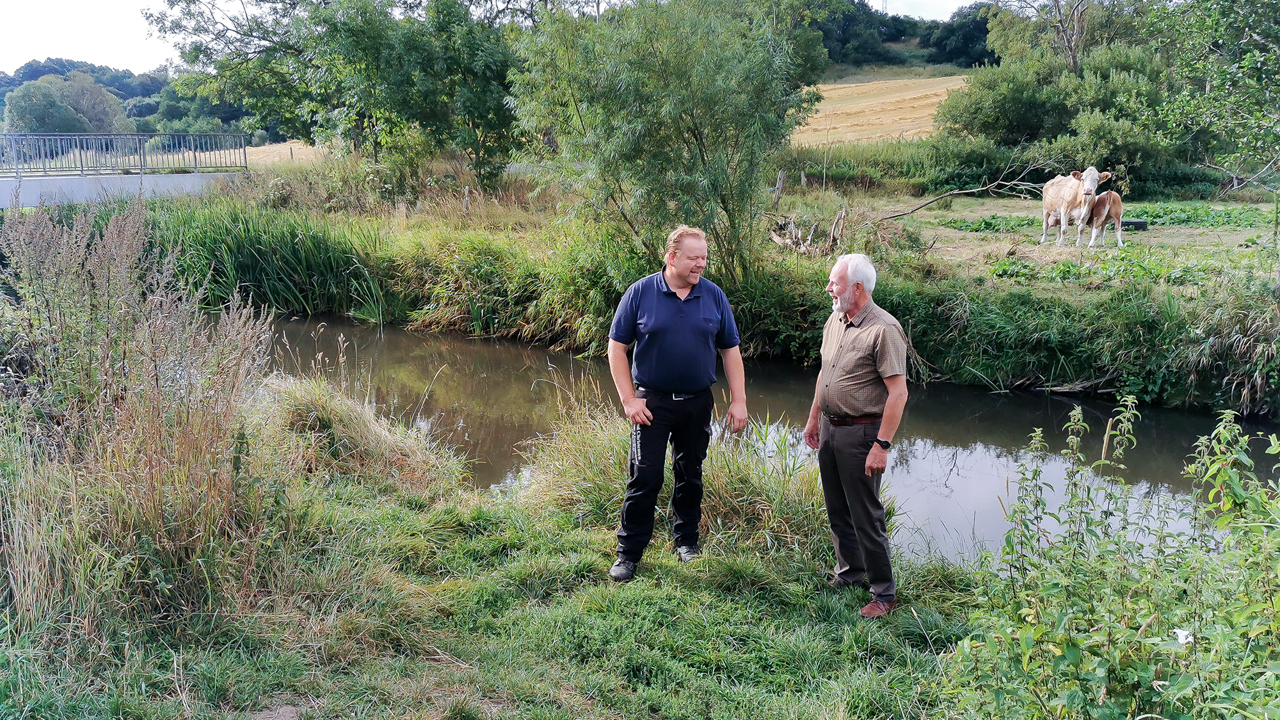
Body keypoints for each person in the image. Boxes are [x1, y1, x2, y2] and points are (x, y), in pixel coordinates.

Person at [605, 225, 749, 582]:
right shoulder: (640, 293)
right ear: (672, 258)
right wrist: (628, 400)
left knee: (690, 474)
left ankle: (686, 542)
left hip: (698, 403)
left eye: (704, 258)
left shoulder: (714, 296)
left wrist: (739, 401)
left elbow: (730, 351)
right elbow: (616, 349)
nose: (701, 264)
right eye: (694, 258)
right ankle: (629, 553)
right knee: (645, 476)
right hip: (651, 402)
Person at [803, 253, 908, 619]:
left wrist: (881, 445)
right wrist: (814, 418)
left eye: (835, 283)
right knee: (837, 509)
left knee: (866, 515)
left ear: (857, 289)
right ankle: (849, 573)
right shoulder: (835, 319)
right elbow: (824, 372)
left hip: (863, 433)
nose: (829, 288)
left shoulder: (884, 329)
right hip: (831, 427)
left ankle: (884, 594)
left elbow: (898, 393)